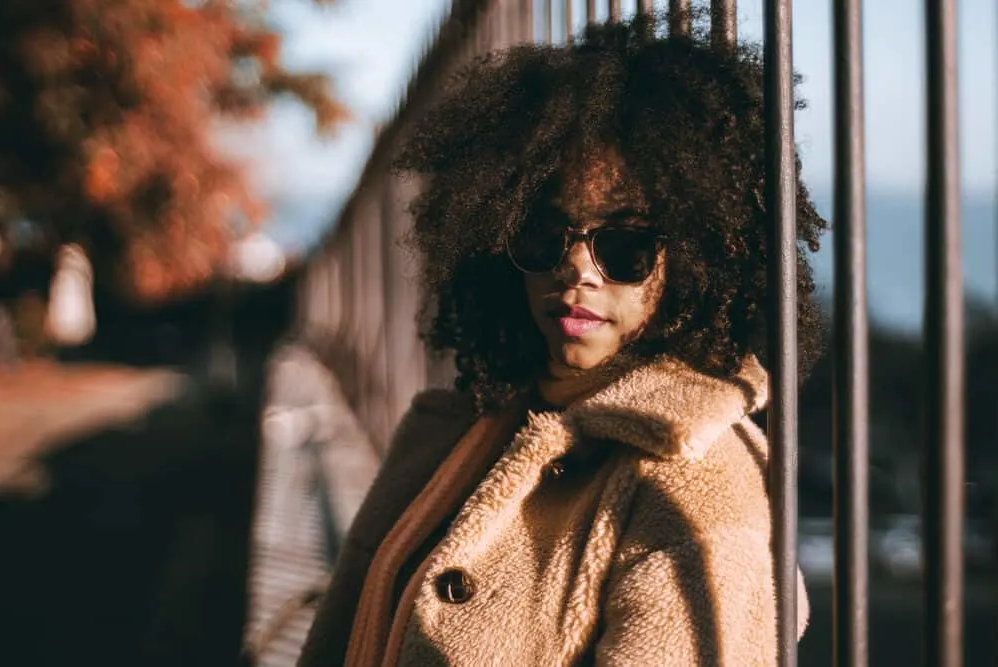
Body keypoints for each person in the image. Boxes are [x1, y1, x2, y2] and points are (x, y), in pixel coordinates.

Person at [299, 12, 826, 667]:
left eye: (625, 245)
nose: (577, 269)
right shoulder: (459, 427)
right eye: (544, 236)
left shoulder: (700, 489)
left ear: (699, 258)